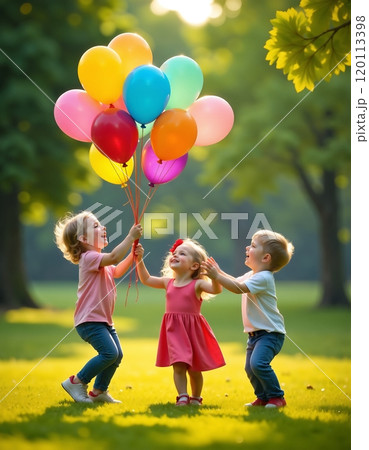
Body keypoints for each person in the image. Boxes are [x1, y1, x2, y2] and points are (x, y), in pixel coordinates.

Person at [54, 211, 142, 403]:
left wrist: (133, 257)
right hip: (89, 321)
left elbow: (116, 270)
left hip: (103, 321)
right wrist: (130, 237)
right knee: (109, 353)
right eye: (95, 226)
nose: (103, 228)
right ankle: (76, 381)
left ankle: (99, 391)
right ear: (83, 239)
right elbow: (114, 258)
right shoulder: (89, 258)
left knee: (117, 355)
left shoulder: (100, 261)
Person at [202, 229, 294, 409]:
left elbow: (238, 288)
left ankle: (277, 397)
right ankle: (262, 398)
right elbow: (235, 281)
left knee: (258, 364)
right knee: (250, 368)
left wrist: (216, 276)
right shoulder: (253, 275)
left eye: (252, 246)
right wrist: (219, 272)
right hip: (255, 335)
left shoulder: (264, 277)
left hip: (270, 334)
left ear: (266, 257)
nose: (247, 247)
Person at [134, 238, 226, 406]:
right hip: (174, 331)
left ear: (194, 266)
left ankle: (196, 397)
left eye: (182, 254)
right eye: (174, 253)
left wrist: (215, 277)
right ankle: (182, 396)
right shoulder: (167, 282)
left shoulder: (197, 284)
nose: (175, 255)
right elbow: (146, 279)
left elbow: (216, 289)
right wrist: (139, 259)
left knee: (195, 369)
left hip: (193, 331)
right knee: (178, 364)